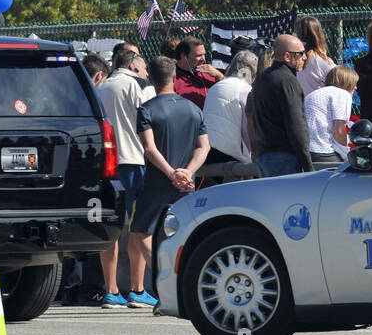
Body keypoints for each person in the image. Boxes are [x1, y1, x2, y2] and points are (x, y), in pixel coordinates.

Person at [124, 56, 210, 307]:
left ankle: (168, 277)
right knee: (184, 232)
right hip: (186, 184)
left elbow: (149, 149)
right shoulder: (193, 109)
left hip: (157, 182)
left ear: (150, 77)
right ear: (174, 77)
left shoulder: (147, 109)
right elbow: (204, 147)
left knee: (140, 232)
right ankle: (188, 281)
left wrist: (171, 173)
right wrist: (188, 172)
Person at [95, 46, 156, 309]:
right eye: (143, 69)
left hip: (106, 166)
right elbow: (150, 121)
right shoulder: (136, 87)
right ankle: (137, 288)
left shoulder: (100, 88)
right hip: (133, 162)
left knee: (109, 228)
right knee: (138, 227)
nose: (145, 74)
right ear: (133, 67)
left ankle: (111, 290)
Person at [250, 34, 314, 177]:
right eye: (301, 54)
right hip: (284, 158)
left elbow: (253, 118)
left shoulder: (262, 77)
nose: (305, 57)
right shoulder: (287, 80)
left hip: (264, 156)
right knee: (290, 199)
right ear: (287, 57)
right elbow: (296, 124)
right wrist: (308, 166)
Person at [201, 49, 258, 163]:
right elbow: (248, 129)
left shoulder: (215, 87)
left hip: (207, 149)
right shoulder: (246, 90)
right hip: (230, 154)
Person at [306, 64, 359, 165]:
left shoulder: (315, 93)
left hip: (306, 149)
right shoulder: (342, 94)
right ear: (346, 82)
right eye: (354, 83)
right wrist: (346, 155)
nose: (355, 87)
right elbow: (339, 129)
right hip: (323, 150)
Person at [174, 37, 222, 109]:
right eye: (199, 55)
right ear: (184, 56)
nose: (203, 59)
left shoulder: (210, 74)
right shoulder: (172, 78)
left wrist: (219, 75)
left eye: (204, 55)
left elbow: (229, 91)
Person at [296, 15, 337, 96]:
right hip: (317, 105)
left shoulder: (291, 56)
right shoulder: (324, 61)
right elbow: (337, 83)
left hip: (297, 105)